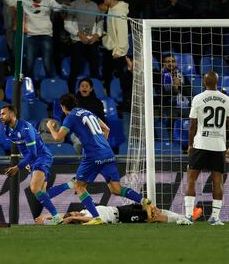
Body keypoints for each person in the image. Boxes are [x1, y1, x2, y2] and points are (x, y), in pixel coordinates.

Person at [46, 93, 151, 225]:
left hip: (93, 155)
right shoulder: (87, 112)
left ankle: (96, 217)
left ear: (62, 107)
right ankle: (142, 200)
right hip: (107, 153)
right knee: (116, 189)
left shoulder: (70, 117)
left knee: (79, 186)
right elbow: (106, 129)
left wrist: (50, 127)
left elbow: (58, 138)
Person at [0, 104, 62, 225]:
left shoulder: (25, 128)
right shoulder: (7, 130)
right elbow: (22, 147)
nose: (1, 116)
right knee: (42, 193)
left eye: (3, 114)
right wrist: (27, 161)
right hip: (33, 159)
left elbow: (33, 153)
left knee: (34, 187)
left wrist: (19, 166)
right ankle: (68, 186)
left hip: (42, 157)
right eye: (0, 114)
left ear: (12, 115)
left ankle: (56, 216)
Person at [185, 71, 229, 226]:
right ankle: (215, 218)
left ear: (204, 83)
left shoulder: (198, 98)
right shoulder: (226, 99)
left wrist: (190, 144)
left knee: (191, 178)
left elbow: (192, 125)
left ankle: (189, 216)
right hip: (219, 145)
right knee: (218, 181)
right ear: (217, 82)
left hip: (201, 144)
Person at [0, 0, 63, 79]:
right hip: (32, 36)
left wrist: (64, 6)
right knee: (29, 62)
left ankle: (49, 82)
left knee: (47, 62)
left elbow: (57, 7)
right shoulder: (24, 0)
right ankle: (30, 84)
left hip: (46, 35)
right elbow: (10, 3)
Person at [64, 0, 102, 93]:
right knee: (75, 68)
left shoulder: (95, 6)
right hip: (78, 40)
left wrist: (97, 34)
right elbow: (67, 24)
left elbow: (100, 22)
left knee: (95, 68)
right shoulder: (73, 5)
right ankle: (71, 93)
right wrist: (79, 34)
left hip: (92, 41)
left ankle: (96, 92)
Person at [35, 203, 197, 225]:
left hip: (120, 208)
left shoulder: (84, 210)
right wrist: (71, 218)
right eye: (72, 213)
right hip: (121, 217)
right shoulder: (85, 220)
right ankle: (182, 220)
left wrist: (66, 215)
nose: (74, 212)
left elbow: (40, 218)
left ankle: (183, 217)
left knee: (154, 209)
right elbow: (39, 221)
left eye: (72, 211)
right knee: (152, 217)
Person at [101, 0, 129, 95]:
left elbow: (122, 32)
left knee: (121, 77)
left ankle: (126, 101)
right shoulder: (111, 9)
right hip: (110, 48)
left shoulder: (119, 11)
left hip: (117, 51)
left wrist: (119, 50)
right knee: (106, 74)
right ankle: (108, 97)